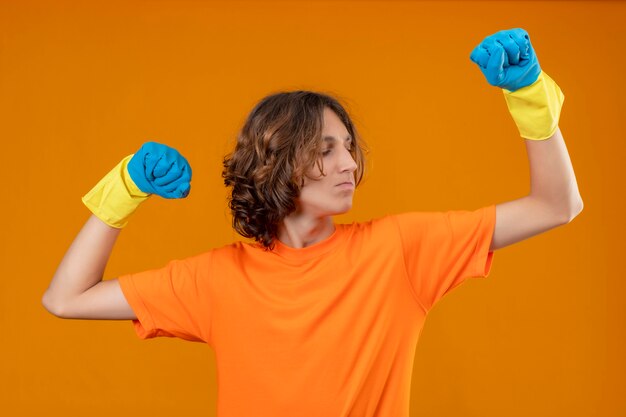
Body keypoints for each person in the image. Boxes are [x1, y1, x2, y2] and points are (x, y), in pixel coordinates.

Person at [42, 28, 583, 416]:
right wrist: (124, 189)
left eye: (349, 147)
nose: (350, 164)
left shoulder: (399, 251)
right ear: (277, 161)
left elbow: (556, 205)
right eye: (326, 150)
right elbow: (66, 299)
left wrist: (530, 98)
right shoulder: (216, 280)